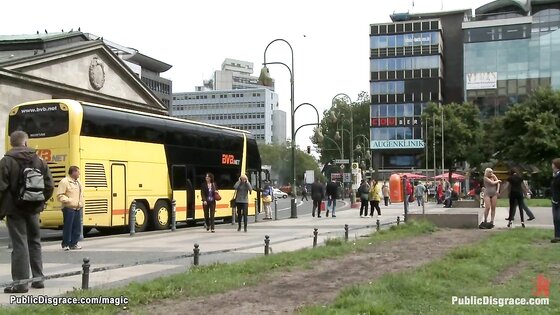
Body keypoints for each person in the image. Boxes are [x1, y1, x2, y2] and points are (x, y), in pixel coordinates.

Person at [0, 131, 54, 293]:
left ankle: (21, 284)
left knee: (19, 245)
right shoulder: (38, 160)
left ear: (12, 143)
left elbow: (1, 188)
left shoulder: (6, 161)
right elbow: (49, 185)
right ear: (25, 143)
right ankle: (38, 280)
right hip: (33, 209)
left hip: (14, 210)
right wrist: (40, 201)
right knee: (35, 242)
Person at [57, 165, 85, 250]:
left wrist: (81, 203)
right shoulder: (65, 181)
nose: (79, 174)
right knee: (68, 227)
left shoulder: (78, 182)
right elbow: (59, 195)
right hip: (69, 208)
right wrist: (69, 200)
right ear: (73, 172)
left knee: (77, 228)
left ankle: (74, 243)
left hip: (78, 207)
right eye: (78, 172)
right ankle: (65, 244)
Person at [550, 158, 560, 243]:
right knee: (555, 218)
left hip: (558, 200)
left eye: (553, 164)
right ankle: (557, 236)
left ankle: (558, 236)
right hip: (555, 199)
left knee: (558, 218)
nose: (552, 166)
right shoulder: (555, 175)